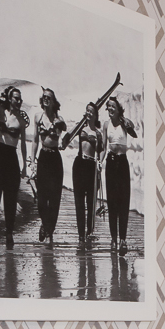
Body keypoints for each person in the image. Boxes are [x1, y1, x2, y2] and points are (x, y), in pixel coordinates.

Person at [0, 84, 29, 239]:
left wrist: (25, 166)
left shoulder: (21, 120)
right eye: (16, 98)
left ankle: (9, 232)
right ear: (10, 99)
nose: (19, 101)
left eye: (20, 99)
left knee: (11, 194)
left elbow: (23, 144)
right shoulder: (2, 112)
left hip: (11, 155)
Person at [100, 99, 140, 251]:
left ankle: (123, 239)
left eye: (113, 106)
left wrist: (126, 122)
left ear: (118, 109)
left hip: (122, 162)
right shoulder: (106, 125)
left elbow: (133, 131)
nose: (110, 108)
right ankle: (113, 239)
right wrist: (100, 161)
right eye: (108, 106)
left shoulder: (124, 122)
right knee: (112, 201)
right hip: (110, 162)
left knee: (123, 200)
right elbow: (104, 147)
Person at [32, 89, 68, 242]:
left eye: (49, 97)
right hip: (43, 157)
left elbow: (65, 130)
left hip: (55, 159)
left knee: (54, 198)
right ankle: (45, 224)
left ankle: (49, 231)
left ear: (53, 101)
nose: (46, 99)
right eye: (44, 97)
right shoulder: (38, 117)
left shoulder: (58, 119)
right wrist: (32, 161)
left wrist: (60, 126)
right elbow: (35, 140)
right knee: (41, 198)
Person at [67, 101, 102, 244]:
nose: (89, 113)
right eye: (87, 110)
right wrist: (78, 124)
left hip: (91, 165)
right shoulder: (81, 128)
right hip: (80, 164)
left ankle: (89, 231)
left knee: (91, 202)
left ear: (96, 115)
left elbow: (101, 150)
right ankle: (81, 234)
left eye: (91, 111)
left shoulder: (98, 133)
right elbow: (69, 135)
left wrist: (100, 163)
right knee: (79, 201)